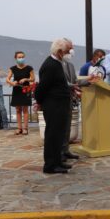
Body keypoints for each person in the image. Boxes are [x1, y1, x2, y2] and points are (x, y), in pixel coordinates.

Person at [34, 39, 74, 174]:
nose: (69, 53)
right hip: (53, 106)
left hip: (60, 105)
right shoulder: (50, 65)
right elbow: (42, 88)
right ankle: (50, 165)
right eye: (68, 51)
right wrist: (38, 102)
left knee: (59, 135)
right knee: (52, 135)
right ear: (59, 52)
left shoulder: (57, 63)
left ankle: (57, 161)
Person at [61, 39, 96, 163]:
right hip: (59, 101)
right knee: (60, 128)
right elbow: (63, 83)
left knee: (67, 127)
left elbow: (75, 81)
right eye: (70, 48)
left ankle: (65, 150)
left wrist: (89, 80)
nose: (72, 51)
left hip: (69, 101)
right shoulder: (55, 64)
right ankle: (59, 153)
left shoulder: (69, 64)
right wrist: (73, 87)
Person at [6, 52, 35, 135]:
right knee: (18, 109)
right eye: (19, 57)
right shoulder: (13, 68)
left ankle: (25, 128)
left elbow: (33, 79)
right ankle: (19, 128)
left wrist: (26, 79)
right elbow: (7, 79)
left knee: (25, 110)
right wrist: (12, 83)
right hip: (16, 90)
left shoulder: (29, 68)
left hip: (26, 90)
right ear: (16, 58)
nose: (21, 58)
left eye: (22, 57)